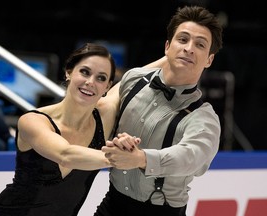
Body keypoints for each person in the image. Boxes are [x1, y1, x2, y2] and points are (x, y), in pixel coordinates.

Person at [94, 5, 223, 216]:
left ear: (209, 59)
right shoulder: (134, 79)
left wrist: (142, 158)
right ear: (167, 47)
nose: (189, 48)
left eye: (200, 44)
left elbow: (192, 157)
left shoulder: (203, 117)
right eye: (182, 39)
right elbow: (103, 114)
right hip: (111, 203)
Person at [0, 43, 139, 216]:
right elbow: (66, 155)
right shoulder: (32, 120)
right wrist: (125, 158)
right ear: (69, 72)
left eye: (101, 78)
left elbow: (136, 77)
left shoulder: (104, 115)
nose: (90, 82)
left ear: (108, 86)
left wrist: (172, 53)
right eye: (85, 72)